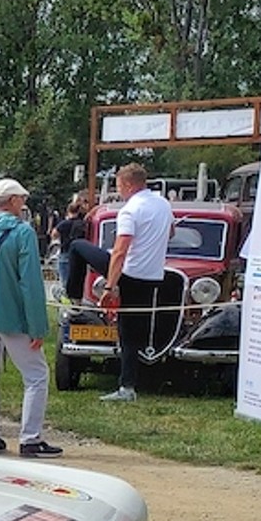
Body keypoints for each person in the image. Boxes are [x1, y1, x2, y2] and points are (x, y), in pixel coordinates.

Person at [0, 178, 61, 456]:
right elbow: (30, 283)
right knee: (36, 374)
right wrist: (37, 325)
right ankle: (30, 437)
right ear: (13, 201)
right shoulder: (22, 233)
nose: (24, 204)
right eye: (22, 199)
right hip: (13, 315)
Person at [63, 163, 172, 401]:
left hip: (129, 273)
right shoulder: (163, 204)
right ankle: (128, 384)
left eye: (119, 185)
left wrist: (110, 286)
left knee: (76, 247)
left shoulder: (130, 210)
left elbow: (120, 251)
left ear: (129, 185)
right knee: (133, 332)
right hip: (152, 275)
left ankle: (74, 295)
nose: (118, 190)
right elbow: (171, 233)